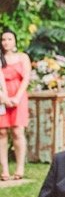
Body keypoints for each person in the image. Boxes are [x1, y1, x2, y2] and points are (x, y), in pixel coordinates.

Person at [1, 27, 32, 181]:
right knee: (1, 132)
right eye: (3, 39)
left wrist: (17, 97)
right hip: (2, 97)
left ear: (14, 41)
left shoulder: (22, 57)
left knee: (18, 131)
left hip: (18, 96)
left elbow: (26, 78)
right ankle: (5, 170)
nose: (6, 42)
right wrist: (4, 98)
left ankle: (19, 168)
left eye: (9, 39)